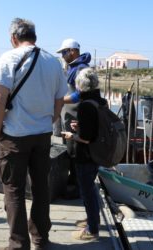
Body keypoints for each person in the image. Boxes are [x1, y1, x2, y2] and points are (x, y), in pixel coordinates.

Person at [0, 18, 67, 250]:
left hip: (14, 136)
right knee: (41, 188)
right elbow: (59, 99)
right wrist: (49, 121)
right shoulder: (53, 61)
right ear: (35, 37)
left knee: (13, 190)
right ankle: (41, 240)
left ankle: (18, 245)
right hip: (42, 135)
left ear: (14, 38)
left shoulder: (9, 58)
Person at [61, 68, 104, 241]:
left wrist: (73, 135)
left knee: (87, 191)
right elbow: (96, 128)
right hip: (97, 154)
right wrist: (80, 127)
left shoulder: (85, 105)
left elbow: (87, 138)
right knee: (91, 189)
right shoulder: (100, 101)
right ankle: (93, 219)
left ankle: (92, 229)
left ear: (79, 86)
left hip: (86, 155)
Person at [56, 39, 91, 197]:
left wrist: (60, 100)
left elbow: (80, 94)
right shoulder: (73, 68)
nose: (62, 56)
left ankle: (78, 188)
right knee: (70, 149)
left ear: (73, 51)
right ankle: (72, 179)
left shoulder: (81, 69)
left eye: (64, 52)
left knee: (76, 150)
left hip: (76, 116)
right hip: (69, 115)